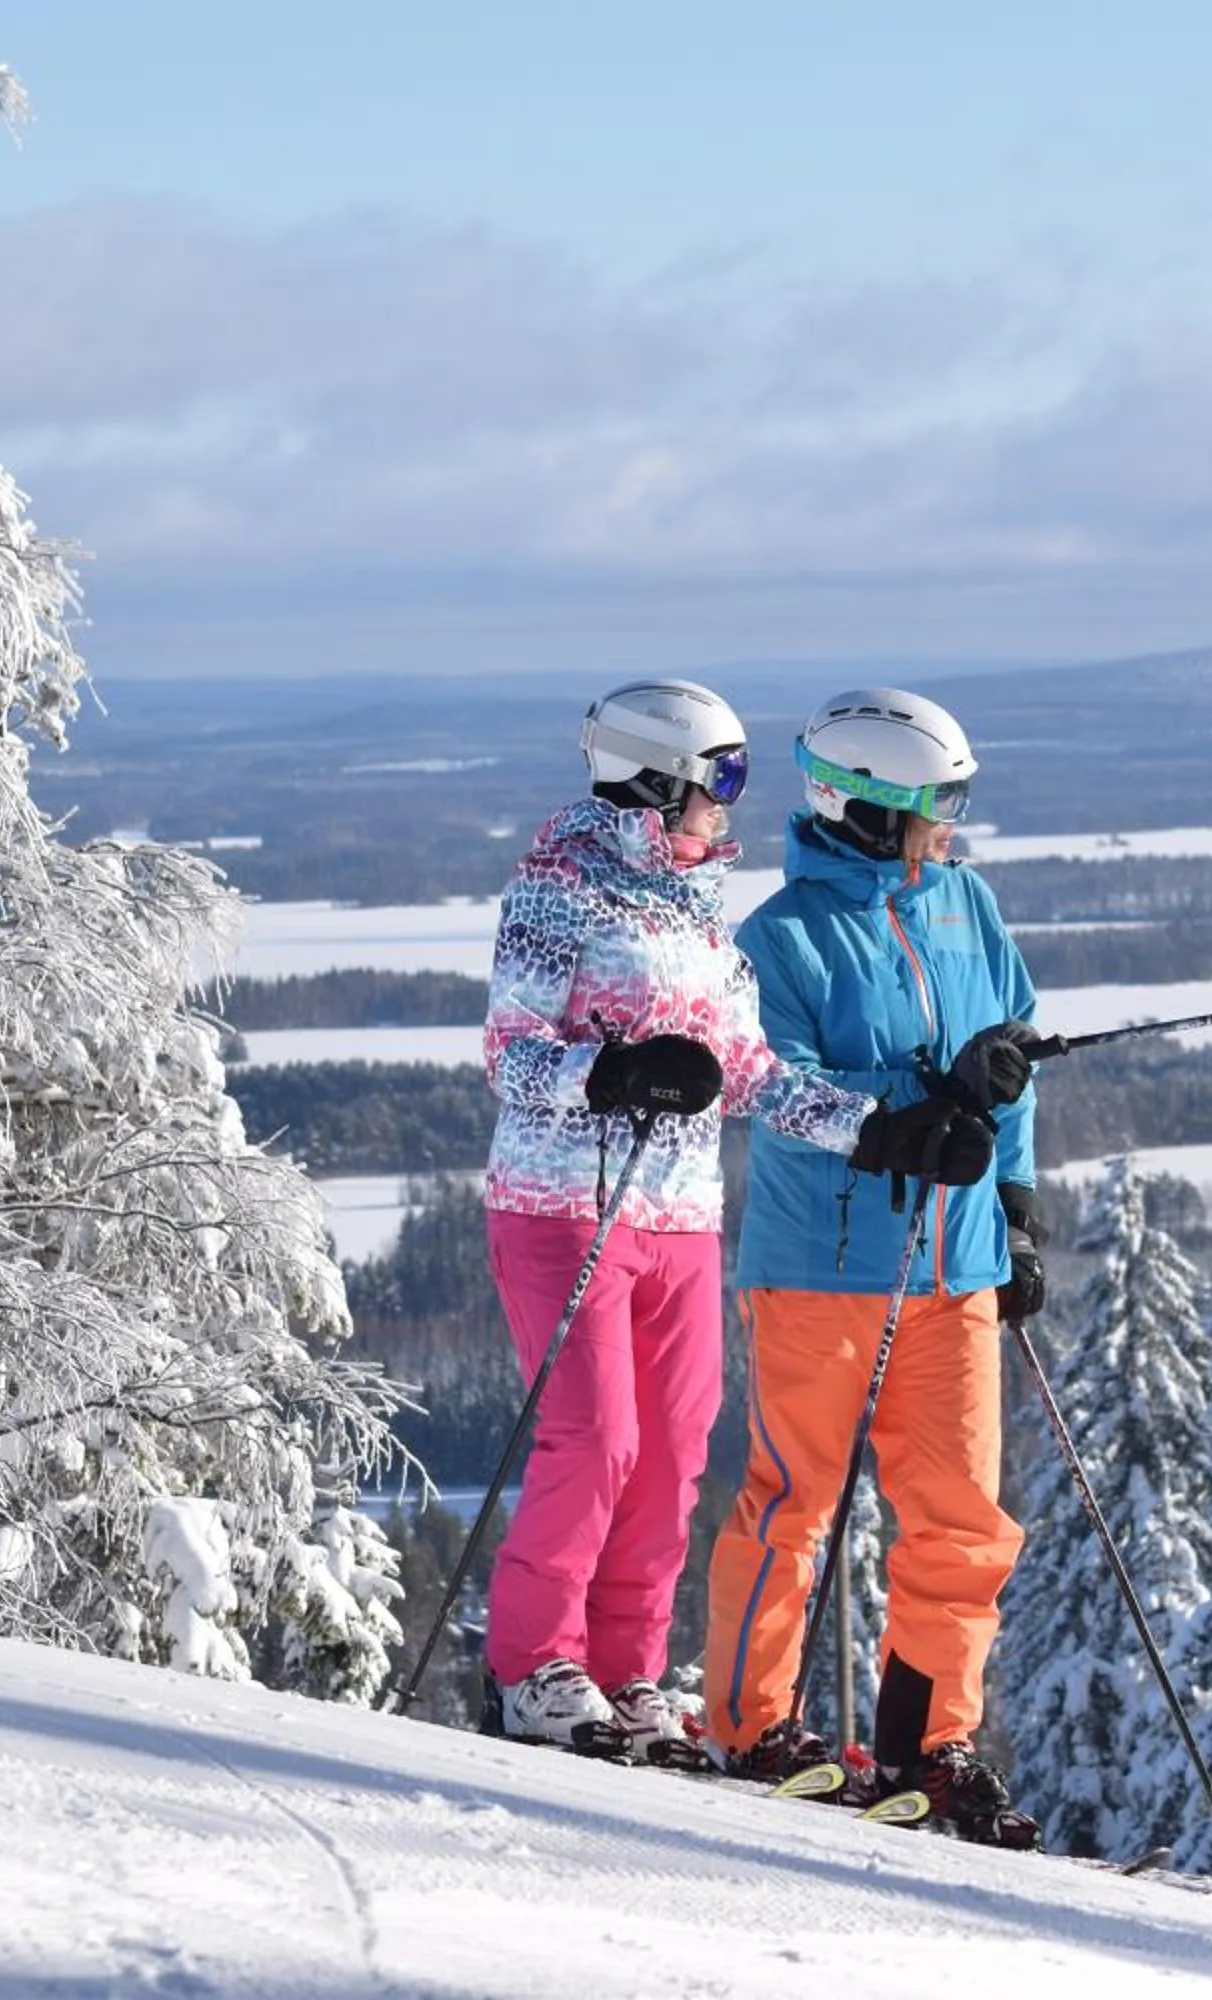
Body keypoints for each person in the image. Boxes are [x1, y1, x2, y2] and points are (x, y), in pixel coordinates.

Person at [477, 678, 999, 1760]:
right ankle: (533, 1662)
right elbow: (511, 1056)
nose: (732, 801)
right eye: (720, 778)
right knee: (598, 1435)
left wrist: (875, 1130)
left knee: (672, 1449)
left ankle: (626, 1671)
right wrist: (611, 1072)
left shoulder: (695, 908)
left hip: (680, 1216)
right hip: (564, 1202)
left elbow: (752, 1072)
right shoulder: (554, 891)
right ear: (655, 779)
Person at [701, 687, 1052, 1845]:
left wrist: (1015, 1203)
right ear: (864, 810)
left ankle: (925, 1742)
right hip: (824, 1266)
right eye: (932, 807)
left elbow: (1016, 1060)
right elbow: (776, 1086)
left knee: (959, 1517)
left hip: (955, 1265)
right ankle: (758, 1725)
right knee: (796, 1501)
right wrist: (901, 1120)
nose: (948, 828)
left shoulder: (967, 905)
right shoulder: (780, 939)